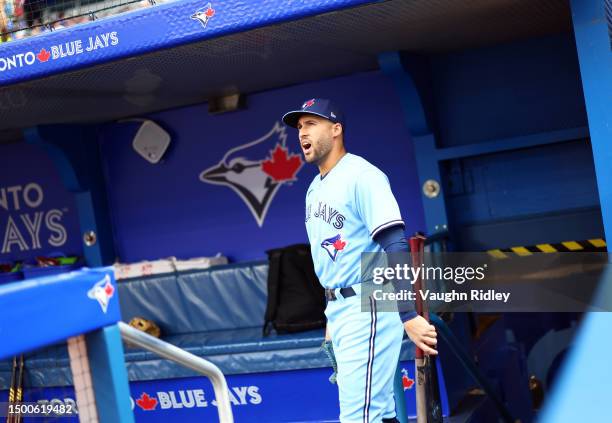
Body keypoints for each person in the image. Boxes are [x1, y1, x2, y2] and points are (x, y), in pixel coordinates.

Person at [282, 98, 438, 423]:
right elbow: (333, 259)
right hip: (340, 308)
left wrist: (407, 313)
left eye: (311, 123)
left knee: (358, 417)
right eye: (299, 127)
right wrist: (331, 313)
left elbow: (394, 243)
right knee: (379, 412)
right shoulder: (313, 188)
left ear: (336, 129)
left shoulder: (362, 175)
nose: (302, 133)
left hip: (369, 301)